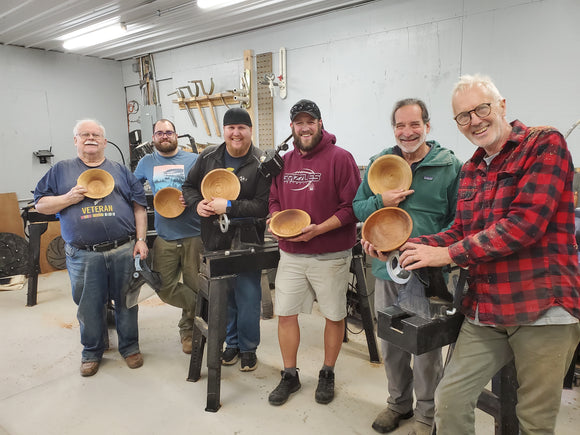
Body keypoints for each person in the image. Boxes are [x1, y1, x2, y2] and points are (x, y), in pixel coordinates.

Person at [364, 74, 580, 434]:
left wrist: (447, 254)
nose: (474, 120)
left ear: (502, 106)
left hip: (543, 305)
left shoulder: (544, 144)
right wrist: (407, 246)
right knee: (450, 401)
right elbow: (461, 230)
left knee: (533, 421)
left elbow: (524, 225)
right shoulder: (472, 169)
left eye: (481, 109)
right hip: (488, 308)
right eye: (463, 116)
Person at [353, 98, 462, 435]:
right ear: (394, 129)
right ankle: (397, 404)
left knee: (425, 350)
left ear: (427, 126)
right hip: (387, 269)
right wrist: (379, 203)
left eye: (414, 124)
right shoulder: (378, 164)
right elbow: (359, 209)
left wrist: (433, 251)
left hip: (428, 275)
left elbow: (460, 221)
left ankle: (426, 416)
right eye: (400, 125)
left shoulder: (449, 166)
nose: (407, 131)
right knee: (392, 344)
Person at [34, 119, 149, 377]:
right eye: (84, 134)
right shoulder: (61, 171)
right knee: (89, 306)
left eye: (96, 134)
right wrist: (67, 198)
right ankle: (92, 352)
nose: (90, 138)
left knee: (127, 302)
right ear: (75, 140)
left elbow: (139, 206)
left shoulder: (120, 170)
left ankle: (130, 348)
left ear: (105, 142)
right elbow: (40, 205)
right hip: (83, 254)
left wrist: (141, 239)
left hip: (123, 249)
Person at [267, 99, 361, 406]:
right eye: (299, 123)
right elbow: (274, 200)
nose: (304, 127)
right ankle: (290, 375)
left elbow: (351, 209)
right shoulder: (284, 163)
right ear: (292, 127)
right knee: (285, 314)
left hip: (330, 254)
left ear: (320, 124)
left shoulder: (341, 158)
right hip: (291, 253)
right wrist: (274, 219)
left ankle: (327, 372)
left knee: (334, 315)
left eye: (311, 121)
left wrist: (319, 229)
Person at [182, 107, 270, 371]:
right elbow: (188, 187)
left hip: (247, 241)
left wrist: (228, 206)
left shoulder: (262, 161)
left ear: (250, 130)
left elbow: (263, 206)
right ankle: (231, 344)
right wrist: (197, 204)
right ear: (224, 130)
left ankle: (248, 348)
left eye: (241, 127)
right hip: (215, 239)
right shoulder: (209, 156)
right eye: (231, 127)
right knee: (225, 296)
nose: (236, 133)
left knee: (248, 296)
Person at [134, 119, 201, 354]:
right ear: (153, 137)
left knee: (195, 282)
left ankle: (189, 331)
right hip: (165, 236)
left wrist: (192, 197)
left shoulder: (194, 160)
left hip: (195, 235)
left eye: (169, 132)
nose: (164, 136)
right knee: (163, 285)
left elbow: (209, 189)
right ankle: (205, 306)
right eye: (159, 133)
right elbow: (132, 192)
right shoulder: (146, 162)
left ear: (176, 135)